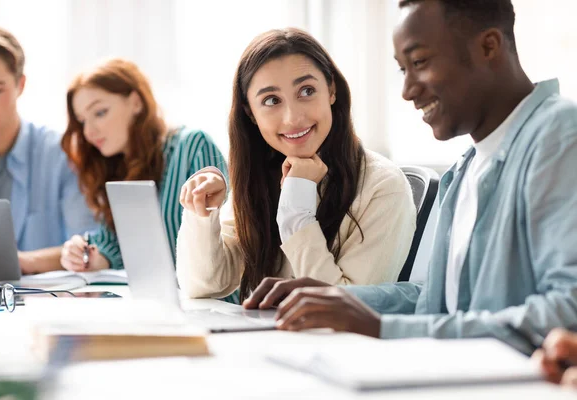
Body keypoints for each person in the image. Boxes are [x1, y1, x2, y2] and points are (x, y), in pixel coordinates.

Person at [242, 0, 577, 354]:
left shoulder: (559, 138)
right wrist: (334, 298)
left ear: (488, 46)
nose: (408, 91)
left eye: (419, 63)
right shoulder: (467, 167)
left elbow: (566, 315)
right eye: (403, 70)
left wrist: (381, 327)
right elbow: (437, 303)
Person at [177, 28, 416, 304]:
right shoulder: (262, 174)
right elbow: (203, 285)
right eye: (271, 100)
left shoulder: (384, 185)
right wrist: (204, 211)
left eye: (306, 91)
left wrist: (297, 211)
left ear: (331, 90)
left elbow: (342, 307)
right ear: (250, 114)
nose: (293, 118)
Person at [59, 58, 227, 272]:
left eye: (100, 113)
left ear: (136, 102)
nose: (88, 132)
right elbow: (116, 251)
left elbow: (220, 244)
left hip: (210, 301)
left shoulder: (192, 146)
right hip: (156, 303)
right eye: (82, 121)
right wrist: (86, 258)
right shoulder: (116, 169)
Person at [0, 24, 96, 274]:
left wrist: (20, 262)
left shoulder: (62, 154)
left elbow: (91, 245)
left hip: (45, 305)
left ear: (20, 85)